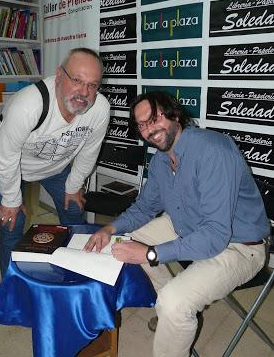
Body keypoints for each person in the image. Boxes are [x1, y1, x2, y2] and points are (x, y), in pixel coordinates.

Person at [84, 91, 269, 357]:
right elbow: (144, 208)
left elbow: (215, 235)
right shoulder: (160, 161)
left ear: (175, 114)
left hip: (239, 245)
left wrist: (151, 253)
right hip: (188, 225)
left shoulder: (213, 150)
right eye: (142, 125)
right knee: (125, 242)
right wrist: (109, 229)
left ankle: (172, 309)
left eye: (155, 118)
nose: (150, 129)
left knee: (174, 302)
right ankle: (171, 313)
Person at [0, 47, 110, 277]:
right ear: (60, 76)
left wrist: (73, 187)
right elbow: (7, 155)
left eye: (92, 85)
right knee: (13, 221)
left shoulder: (100, 109)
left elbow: (90, 151)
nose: (84, 92)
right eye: (77, 80)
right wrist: (11, 200)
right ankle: (12, 288)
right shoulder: (29, 103)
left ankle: (74, 270)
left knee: (73, 209)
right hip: (4, 157)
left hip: (53, 163)